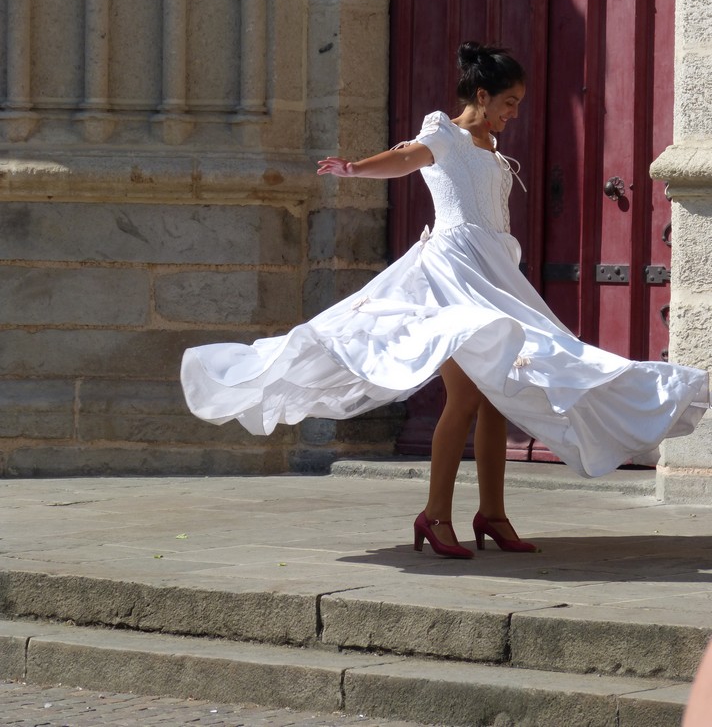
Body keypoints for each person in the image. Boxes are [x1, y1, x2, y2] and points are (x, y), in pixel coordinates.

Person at [181, 42, 709, 560]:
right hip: (451, 276)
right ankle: (434, 515)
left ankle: (493, 514)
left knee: (500, 390)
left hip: (494, 274)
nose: (514, 113)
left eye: (518, 104)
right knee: (466, 399)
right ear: (481, 94)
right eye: (509, 102)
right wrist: (356, 169)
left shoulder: (493, 153)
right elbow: (407, 157)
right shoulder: (447, 135)